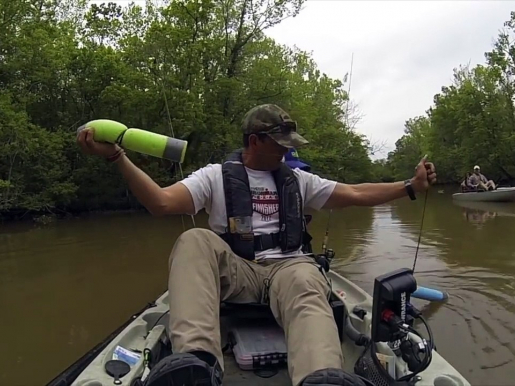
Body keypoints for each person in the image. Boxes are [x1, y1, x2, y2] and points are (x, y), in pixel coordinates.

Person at [76, 104, 437, 386]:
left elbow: (355, 192)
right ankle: (197, 366)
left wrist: (409, 187)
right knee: (193, 239)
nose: (285, 153)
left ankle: (321, 377)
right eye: (279, 145)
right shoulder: (215, 176)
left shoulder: (297, 179)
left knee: (305, 277)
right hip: (239, 271)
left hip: (289, 269)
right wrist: (116, 157)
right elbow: (161, 203)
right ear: (254, 141)